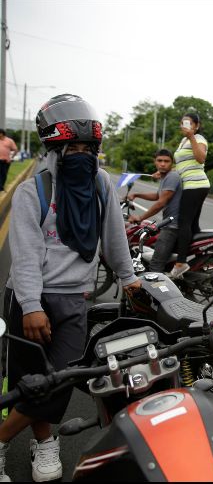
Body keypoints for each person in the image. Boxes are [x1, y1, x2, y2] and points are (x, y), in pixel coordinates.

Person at [1, 94, 140, 482]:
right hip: (31, 298)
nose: (80, 154)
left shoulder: (101, 186)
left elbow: (114, 238)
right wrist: (30, 305)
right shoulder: (34, 192)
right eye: (71, 148)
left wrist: (129, 280)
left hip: (74, 299)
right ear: (54, 150)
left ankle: (3, 440)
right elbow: (26, 255)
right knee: (31, 377)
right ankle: (42, 441)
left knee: (64, 376)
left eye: (87, 147)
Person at [126, 149, 182, 272]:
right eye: (159, 161)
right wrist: (136, 195)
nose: (162, 164)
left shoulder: (172, 176)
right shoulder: (165, 177)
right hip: (170, 223)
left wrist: (140, 218)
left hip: (173, 226)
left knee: (155, 265)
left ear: (172, 163)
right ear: (155, 162)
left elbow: (160, 203)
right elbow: (157, 195)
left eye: (166, 161)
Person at [169, 113, 209, 279]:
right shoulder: (183, 141)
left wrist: (192, 136)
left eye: (189, 123)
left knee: (183, 222)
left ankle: (181, 262)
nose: (184, 125)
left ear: (196, 126)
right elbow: (183, 165)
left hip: (195, 185)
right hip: (190, 185)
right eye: (183, 122)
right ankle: (199, 257)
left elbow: (200, 159)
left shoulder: (199, 138)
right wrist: (164, 173)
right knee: (192, 225)